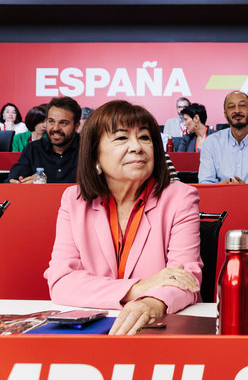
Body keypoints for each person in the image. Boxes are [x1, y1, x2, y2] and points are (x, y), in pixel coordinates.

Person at [44, 100, 202, 335]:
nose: (137, 147)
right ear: (95, 153)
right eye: (121, 138)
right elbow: (61, 282)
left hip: (157, 331)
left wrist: (152, 303)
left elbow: (186, 280)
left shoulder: (180, 197)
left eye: (145, 137)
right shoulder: (74, 200)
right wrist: (141, 287)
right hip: (90, 330)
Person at [7, 97, 81, 184]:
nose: (56, 128)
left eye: (63, 123)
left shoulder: (89, 149)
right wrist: (18, 183)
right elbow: (13, 180)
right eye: (51, 121)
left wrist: (44, 182)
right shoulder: (33, 149)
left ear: (76, 126)